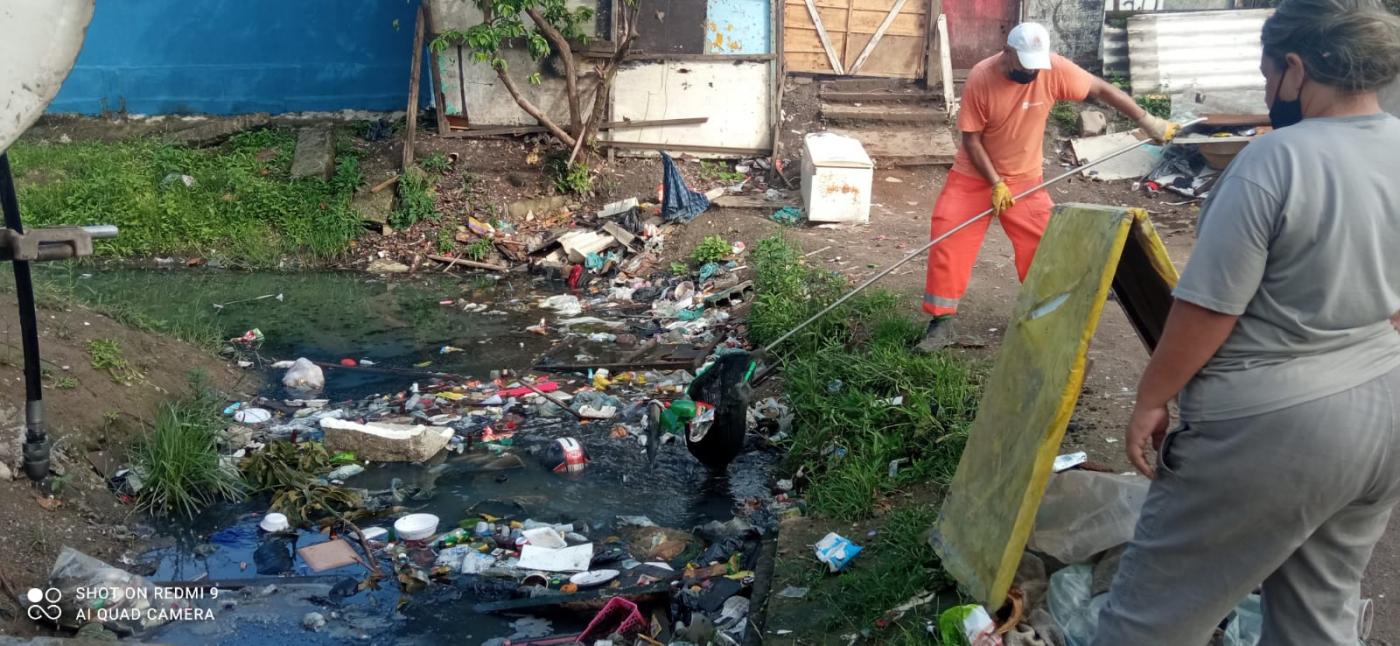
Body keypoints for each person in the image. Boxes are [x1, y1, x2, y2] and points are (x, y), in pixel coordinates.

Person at [1093, 0, 1400, 643]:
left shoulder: (1273, 160)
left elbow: (1209, 310)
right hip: (1384, 413)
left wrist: (1152, 397)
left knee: (1149, 620)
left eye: (1267, 76)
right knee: (1317, 612)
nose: (1268, 93)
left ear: (1295, 67)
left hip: (1271, 428)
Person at [916, 23, 1176, 351]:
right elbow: (971, 139)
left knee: (1045, 248)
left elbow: (1100, 88)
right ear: (1007, 53)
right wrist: (996, 184)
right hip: (975, 177)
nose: (1032, 72)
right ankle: (941, 324)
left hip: (1026, 180)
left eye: (1036, 65)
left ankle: (1047, 314)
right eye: (1025, 64)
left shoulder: (1052, 68)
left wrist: (1147, 120)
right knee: (949, 237)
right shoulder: (981, 77)